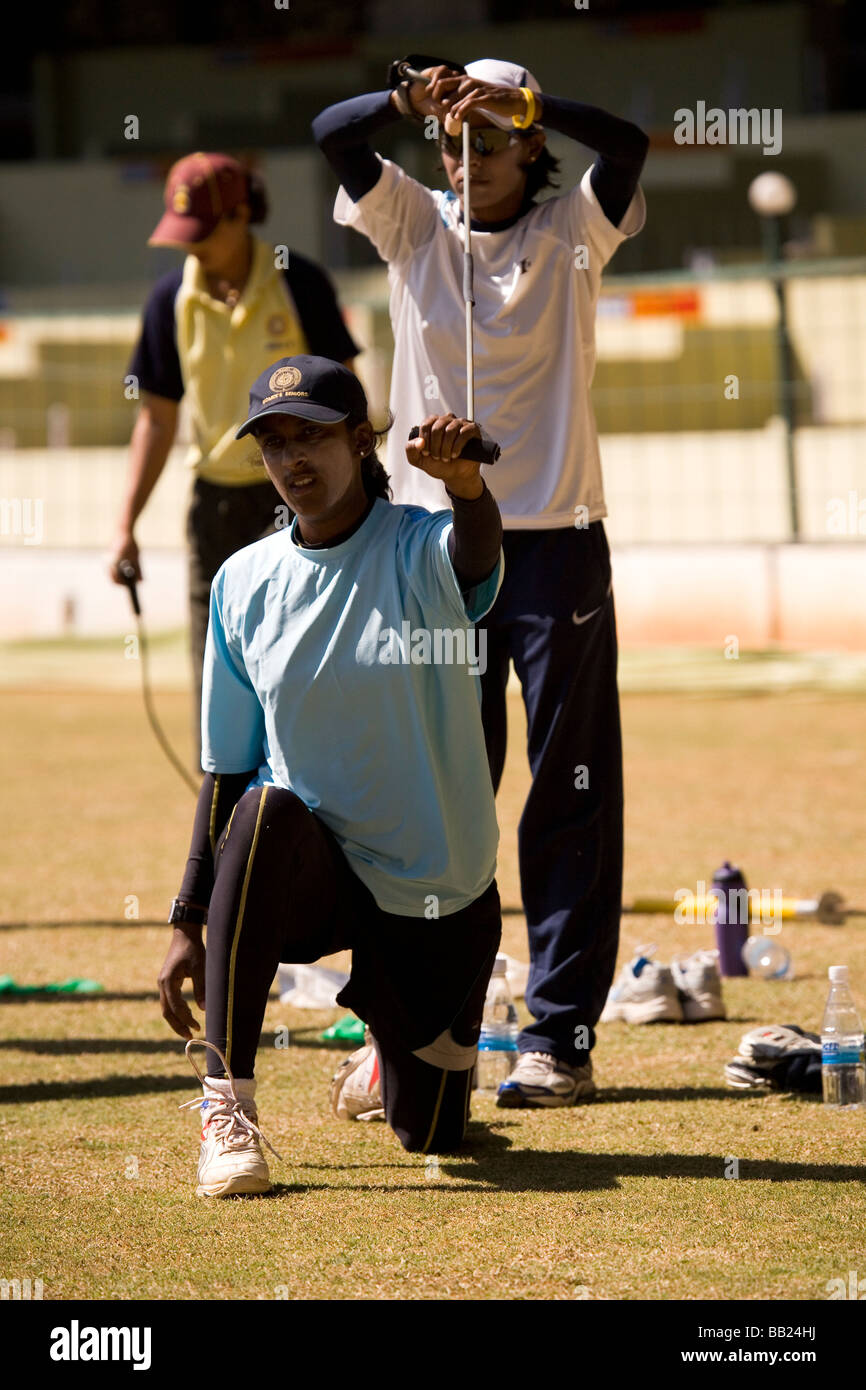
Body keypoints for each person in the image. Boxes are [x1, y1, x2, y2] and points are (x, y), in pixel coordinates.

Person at [313, 58, 648, 1107]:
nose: (471, 159)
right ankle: (414, 1028)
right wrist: (414, 102)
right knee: (430, 799)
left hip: (554, 545)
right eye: (454, 143)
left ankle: (558, 1035)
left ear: (531, 147)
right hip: (433, 546)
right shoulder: (414, 224)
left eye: (494, 139)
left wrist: (524, 101)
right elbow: (331, 131)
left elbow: (628, 143)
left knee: (566, 794)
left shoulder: (571, 231)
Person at [157, 355, 505, 1195]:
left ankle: (394, 1051)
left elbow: (474, 557)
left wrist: (465, 488)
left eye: (311, 436)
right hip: (317, 872)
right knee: (265, 807)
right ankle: (226, 1107)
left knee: (438, 1139)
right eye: (273, 443)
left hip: (437, 894)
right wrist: (185, 919)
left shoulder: (420, 546)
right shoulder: (242, 583)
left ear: (360, 441)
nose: (292, 460)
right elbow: (228, 770)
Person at [108, 152, 359, 754]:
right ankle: (225, 830)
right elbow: (157, 418)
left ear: (242, 213)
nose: (190, 248)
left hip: (308, 502)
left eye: (204, 232)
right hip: (215, 509)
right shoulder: (168, 299)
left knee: (312, 665)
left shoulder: (300, 283)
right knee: (218, 679)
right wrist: (125, 525)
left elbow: (348, 396)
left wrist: (359, 497)